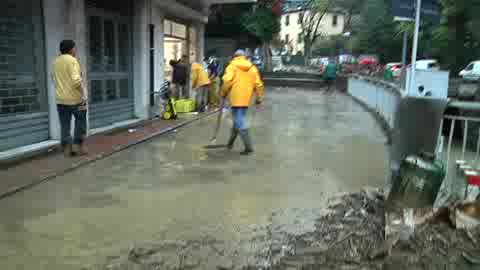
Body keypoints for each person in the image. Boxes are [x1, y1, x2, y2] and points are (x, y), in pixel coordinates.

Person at [220, 49, 264, 155]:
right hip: (246, 98)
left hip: (235, 97)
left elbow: (227, 81)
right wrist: (259, 98)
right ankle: (230, 143)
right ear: (244, 56)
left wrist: (223, 93)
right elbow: (258, 84)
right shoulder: (252, 68)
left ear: (234, 56)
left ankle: (248, 147)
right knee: (237, 120)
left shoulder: (231, 67)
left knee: (239, 121)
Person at [52, 40, 88, 157]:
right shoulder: (72, 60)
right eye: (74, 48)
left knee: (65, 125)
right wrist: (84, 94)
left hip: (60, 100)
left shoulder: (55, 61)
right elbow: (76, 80)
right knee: (81, 123)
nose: (75, 50)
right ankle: (78, 147)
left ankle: (67, 150)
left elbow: (53, 78)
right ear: (71, 49)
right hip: (75, 99)